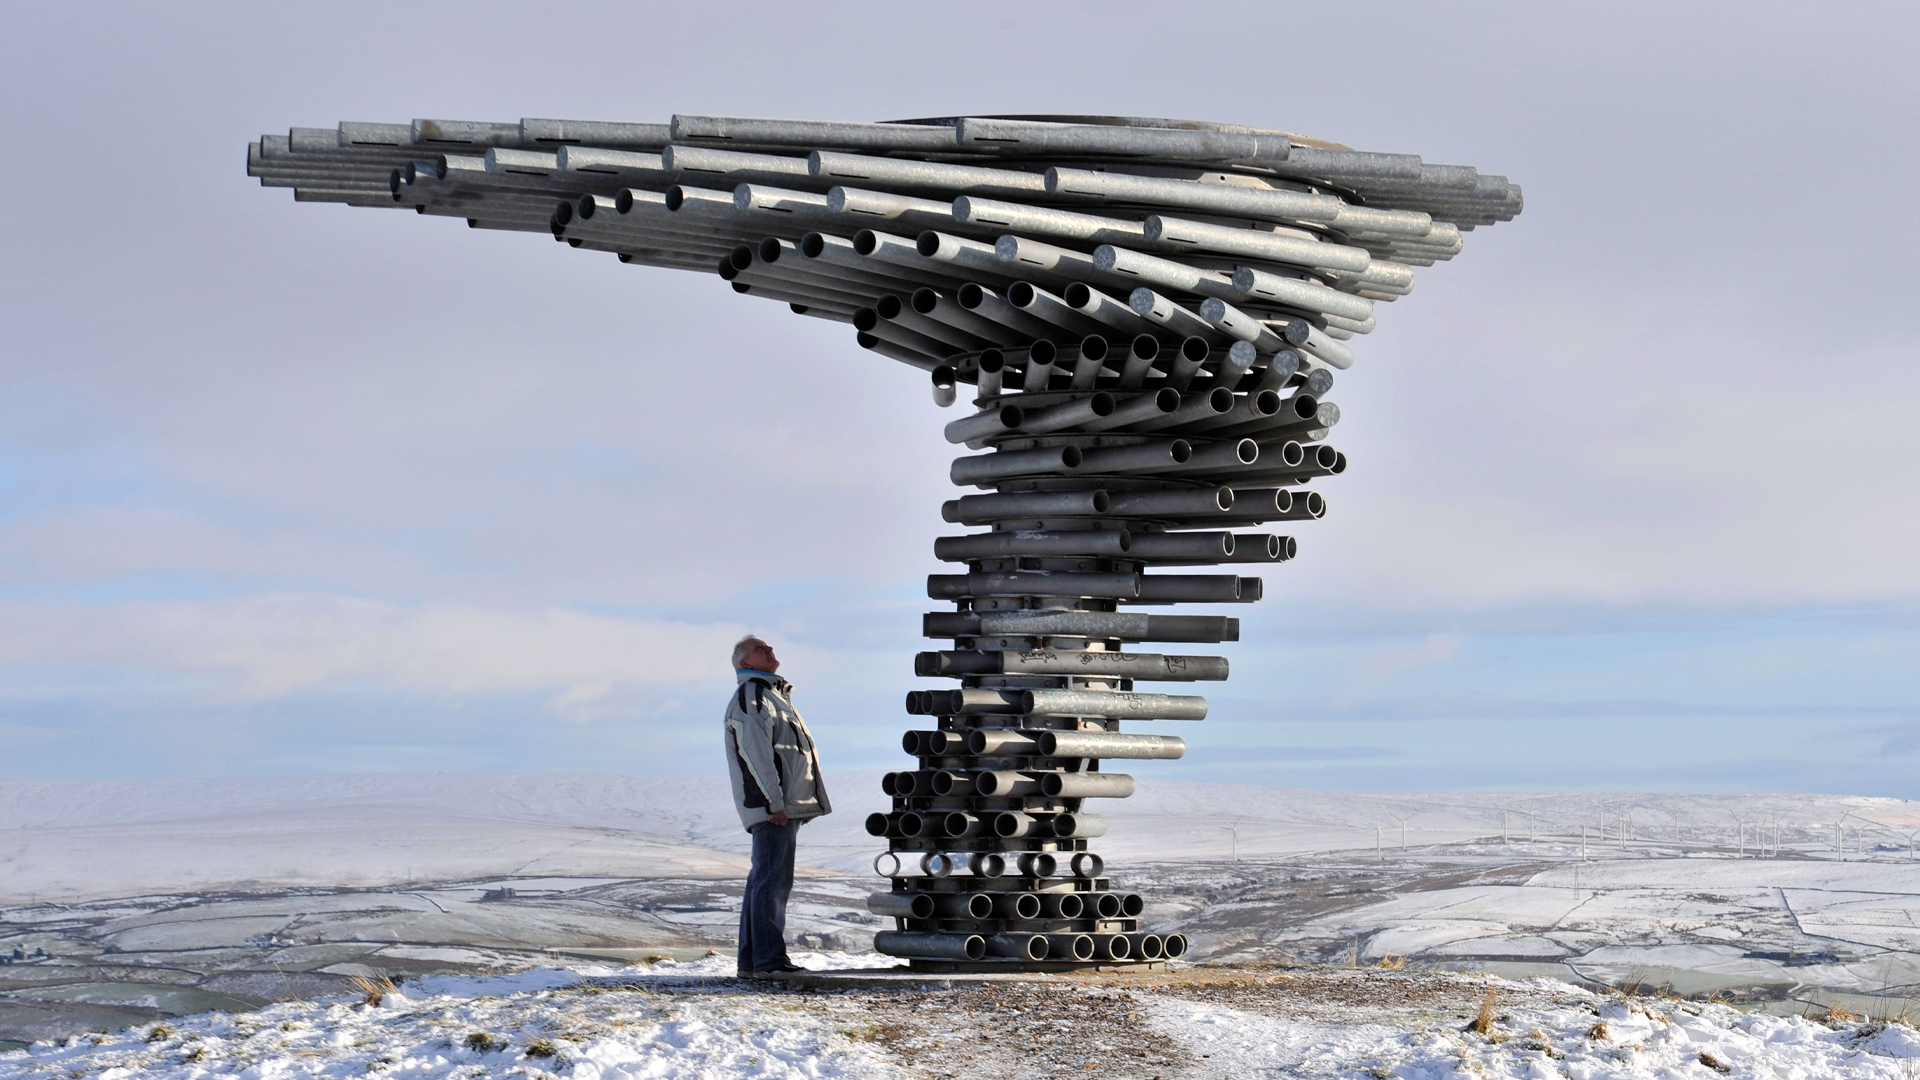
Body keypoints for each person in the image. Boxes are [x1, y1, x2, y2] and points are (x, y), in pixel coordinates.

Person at [723, 634, 831, 976]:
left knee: (766, 881)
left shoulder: (772, 697)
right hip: (773, 808)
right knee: (772, 883)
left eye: (768, 647)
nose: (769, 650)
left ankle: (754, 962)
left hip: (782, 806)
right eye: (760, 649)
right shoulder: (753, 698)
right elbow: (756, 755)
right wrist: (773, 802)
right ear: (745, 663)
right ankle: (769, 962)